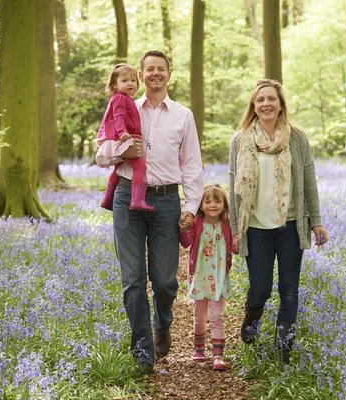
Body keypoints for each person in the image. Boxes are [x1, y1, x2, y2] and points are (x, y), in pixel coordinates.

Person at [95, 50, 203, 374]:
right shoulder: (123, 105)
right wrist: (121, 150)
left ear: (169, 74)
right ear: (141, 76)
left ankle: (163, 322)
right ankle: (142, 351)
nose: (155, 73)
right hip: (127, 199)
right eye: (149, 69)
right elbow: (101, 152)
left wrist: (191, 208)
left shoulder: (183, 115)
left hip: (168, 202)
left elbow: (193, 166)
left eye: (161, 69)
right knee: (132, 281)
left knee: (166, 281)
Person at [228, 78, 329, 364]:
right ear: (254, 106)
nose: (266, 104)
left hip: (291, 225)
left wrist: (316, 221)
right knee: (259, 289)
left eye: (271, 99)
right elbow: (233, 186)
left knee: (289, 289)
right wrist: (236, 230)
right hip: (256, 227)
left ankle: (284, 349)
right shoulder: (240, 140)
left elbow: (309, 181)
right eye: (260, 100)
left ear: (281, 104)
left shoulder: (297, 138)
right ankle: (251, 323)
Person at [178, 183, 238, 371]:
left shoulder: (227, 226)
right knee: (200, 316)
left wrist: (238, 240)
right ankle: (199, 348)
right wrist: (183, 228)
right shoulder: (197, 223)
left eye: (217, 201)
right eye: (208, 201)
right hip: (200, 276)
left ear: (224, 205)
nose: (213, 205)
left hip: (219, 278)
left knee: (218, 315)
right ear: (201, 206)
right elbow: (187, 242)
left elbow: (235, 249)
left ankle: (218, 355)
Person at [97, 63, 155, 212]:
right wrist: (122, 132)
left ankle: (107, 199)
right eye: (124, 81)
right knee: (140, 166)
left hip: (121, 136)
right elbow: (118, 117)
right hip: (119, 137)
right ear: (114, 85)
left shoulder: (125, 98)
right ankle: (137, 200)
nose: (130, 84)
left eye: (133, 80)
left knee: (118, 167)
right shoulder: (120, 99)